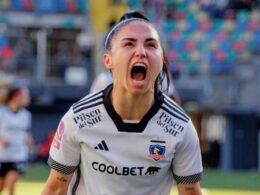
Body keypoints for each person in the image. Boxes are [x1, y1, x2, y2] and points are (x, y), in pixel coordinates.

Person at [41, 10, 203, 195]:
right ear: (107, 60)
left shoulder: (181, 126)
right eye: (129, 44)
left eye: (151, 45)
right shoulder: (78, 118)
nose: (141, 52)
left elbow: (190, 192)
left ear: (161, 59)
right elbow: (55, 189)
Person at [0, 84, 33, 195]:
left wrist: (30, 141)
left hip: (19, 155)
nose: (27, 98)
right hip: (3, 155)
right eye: (25, 96)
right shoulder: (2, 112)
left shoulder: (26, 115)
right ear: (15, 96)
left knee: (11, 184)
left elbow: (26, 132)